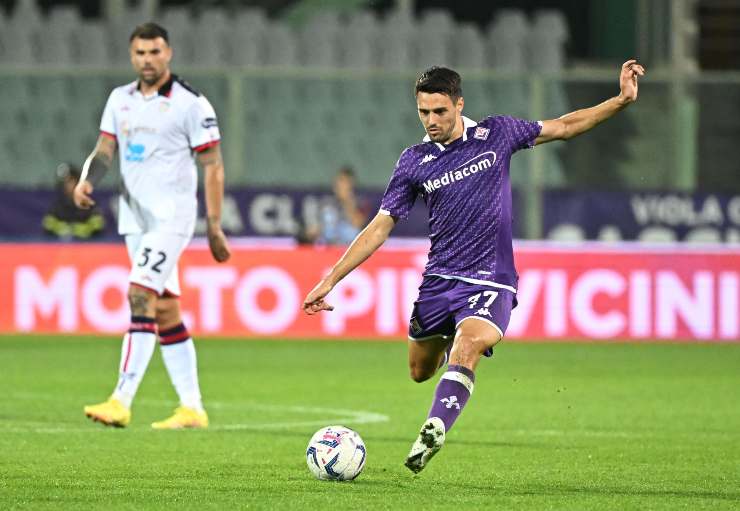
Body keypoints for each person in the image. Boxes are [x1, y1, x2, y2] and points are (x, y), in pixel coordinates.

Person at [303, 61, 644, 472]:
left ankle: (434, 426)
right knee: (418, 371)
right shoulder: (414, 161)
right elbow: (379, 227)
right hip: (438, 282)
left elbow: (566, 126)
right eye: (423, 112)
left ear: (459, 104)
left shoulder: (496, 134)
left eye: (440, 112)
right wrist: (330, 279)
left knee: (468, 346)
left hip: (491, 278)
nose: (431, 120)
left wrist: (621, 100)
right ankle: (449, 352)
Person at [75, 22, 231, 429]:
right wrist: (88, 180)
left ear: (169, 53)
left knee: (139, 294)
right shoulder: (119, 99)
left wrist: (213, 224)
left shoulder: (191, 104)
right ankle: (192, 408)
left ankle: (121, 399)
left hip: (172, 218)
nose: (148, 59)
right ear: (132, 56)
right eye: (141, 53)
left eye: (155, 51)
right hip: (135, 219)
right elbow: (105, 148)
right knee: (164, 310)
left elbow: (213, 165)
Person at [298, 166, 369, 245]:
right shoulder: (326, 203)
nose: (340, 185)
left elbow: (359, 226)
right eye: (339, 181)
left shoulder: (361, 202)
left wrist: (347, 202)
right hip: (328, 248)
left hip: (350, 248)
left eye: (344, 181)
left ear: (351, 184)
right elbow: (320, 227)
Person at [43, 163, 106, 239]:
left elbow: (98, 222)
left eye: (70, 181)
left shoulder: (87, 201)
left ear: (77, 181)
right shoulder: (58, 203)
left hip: (87, 245)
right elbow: (48, 222)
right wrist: (59, 228)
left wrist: (87, 228)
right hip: (62, 247)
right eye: (64, 182)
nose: (66, 185)